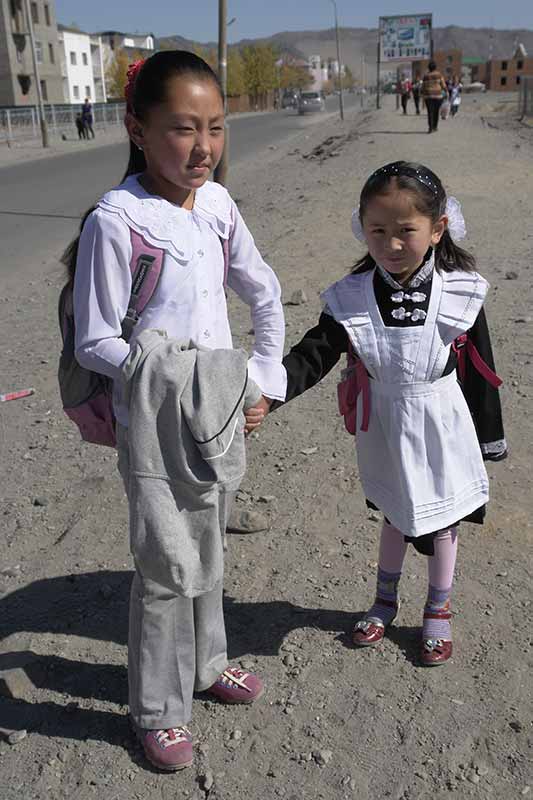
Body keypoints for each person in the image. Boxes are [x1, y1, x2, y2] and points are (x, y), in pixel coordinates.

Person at [64, 51, 286, 771]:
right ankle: (157, 709)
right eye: (183, 129)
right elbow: (96, 338)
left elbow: (262, 289)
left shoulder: (217, 205)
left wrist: (260, 381)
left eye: (215, 128)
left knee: (210, 547)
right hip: (156, 427)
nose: (203, 148)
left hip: (217, 417)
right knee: (165, 566)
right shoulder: (118, 221)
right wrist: (174, 377)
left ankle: (207, 664)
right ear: (137, 129)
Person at [252, 161, 507, 668]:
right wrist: (268, 394)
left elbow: (481, 368)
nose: (391, 244)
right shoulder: (352, 295)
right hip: (386, 424)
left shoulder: (460, 291)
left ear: (437, 229)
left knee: (443, 519)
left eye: (405, 231)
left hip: (442, 423)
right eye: (378, 231)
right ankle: (384, 601)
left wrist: (488, 438)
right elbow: (314, 354)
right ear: (362, 228)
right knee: (394, 510)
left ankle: (438, 608)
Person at [422, 61, 447, 133]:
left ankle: (430, 127)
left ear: (429, 68)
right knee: (436, 112)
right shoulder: (439, 75)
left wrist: (423, 95)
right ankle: (435, 127)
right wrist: (446, 91)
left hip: (428, 96)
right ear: (435, 67)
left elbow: (423, 86)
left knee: (430, 112)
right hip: (438, 96)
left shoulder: (426, 76)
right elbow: (443, 85)